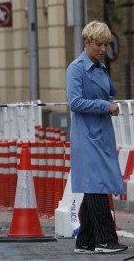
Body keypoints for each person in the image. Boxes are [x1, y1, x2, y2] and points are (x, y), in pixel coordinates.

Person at [66, 20, 127, 254]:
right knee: (96, 186)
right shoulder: (76, 69)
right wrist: (104, 105)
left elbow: (112, 91)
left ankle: (86, 241)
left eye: (106, 44)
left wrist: (107, 97)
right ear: (87, 42)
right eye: (99, 44)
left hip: (101, 134)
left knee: (96, 186)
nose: (103, 49)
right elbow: (75, 102)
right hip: (86, 136)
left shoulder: (100, 67)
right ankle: (105, 240)